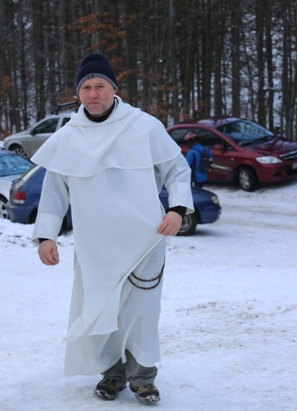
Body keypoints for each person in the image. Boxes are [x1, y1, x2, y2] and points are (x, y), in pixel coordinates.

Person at [32, 53, 194, 405]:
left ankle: (144, 379)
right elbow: (54, 192)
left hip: (145, 240)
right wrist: (46, 236)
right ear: (79, 94)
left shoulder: (144, 126)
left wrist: (179, 209)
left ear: (113, 89)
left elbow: (177, 170)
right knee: (102, 309)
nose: (93, 93)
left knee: (141, 313)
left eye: (100, 86)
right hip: (95, 247)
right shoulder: (69, 136)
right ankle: (112, 374)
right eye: (86, 87)